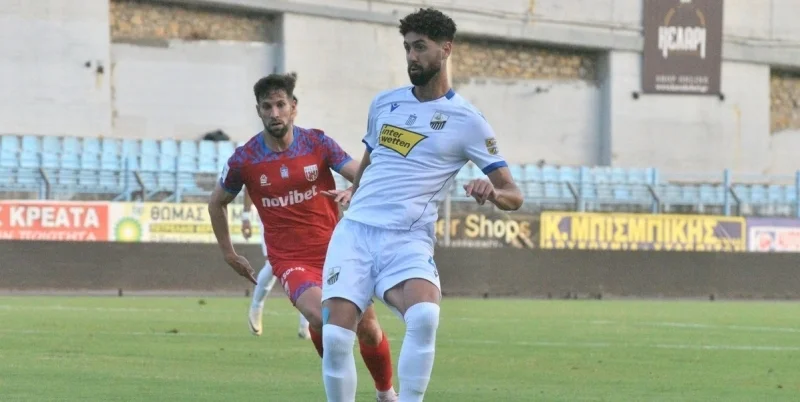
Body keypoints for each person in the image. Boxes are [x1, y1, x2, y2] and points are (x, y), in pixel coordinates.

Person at [319, 8, 524, 402]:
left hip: (407, 238)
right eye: (407, 48)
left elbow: (514, 194)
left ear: (446, 49)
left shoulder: (468, 121)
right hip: (356, 234)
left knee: (425, 315)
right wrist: (355, 192)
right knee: (335, 337)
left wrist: (494, 194)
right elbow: (370, 160)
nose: (411, 57)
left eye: (420, 47)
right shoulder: (384, 104)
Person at [208, 73, 398, 402]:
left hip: (338, 251)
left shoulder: (317, 143)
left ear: (293, 107)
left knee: (368, 328)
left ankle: (386, 394)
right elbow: (216, 203)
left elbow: (360, 174)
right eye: (267, 107)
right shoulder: (245, 158)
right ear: (258, 111)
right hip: (291, 260)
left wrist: (355, 189)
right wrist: (228, 253)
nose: (274, 113)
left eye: (280, 105)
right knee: (324, 318)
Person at [241, 189, 310, 339]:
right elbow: (248, 186)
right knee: (273, 264)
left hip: (298, 212)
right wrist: (246, 217)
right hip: (270, 211)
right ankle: (256, 306)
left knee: (305, 262)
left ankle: (306, 324)